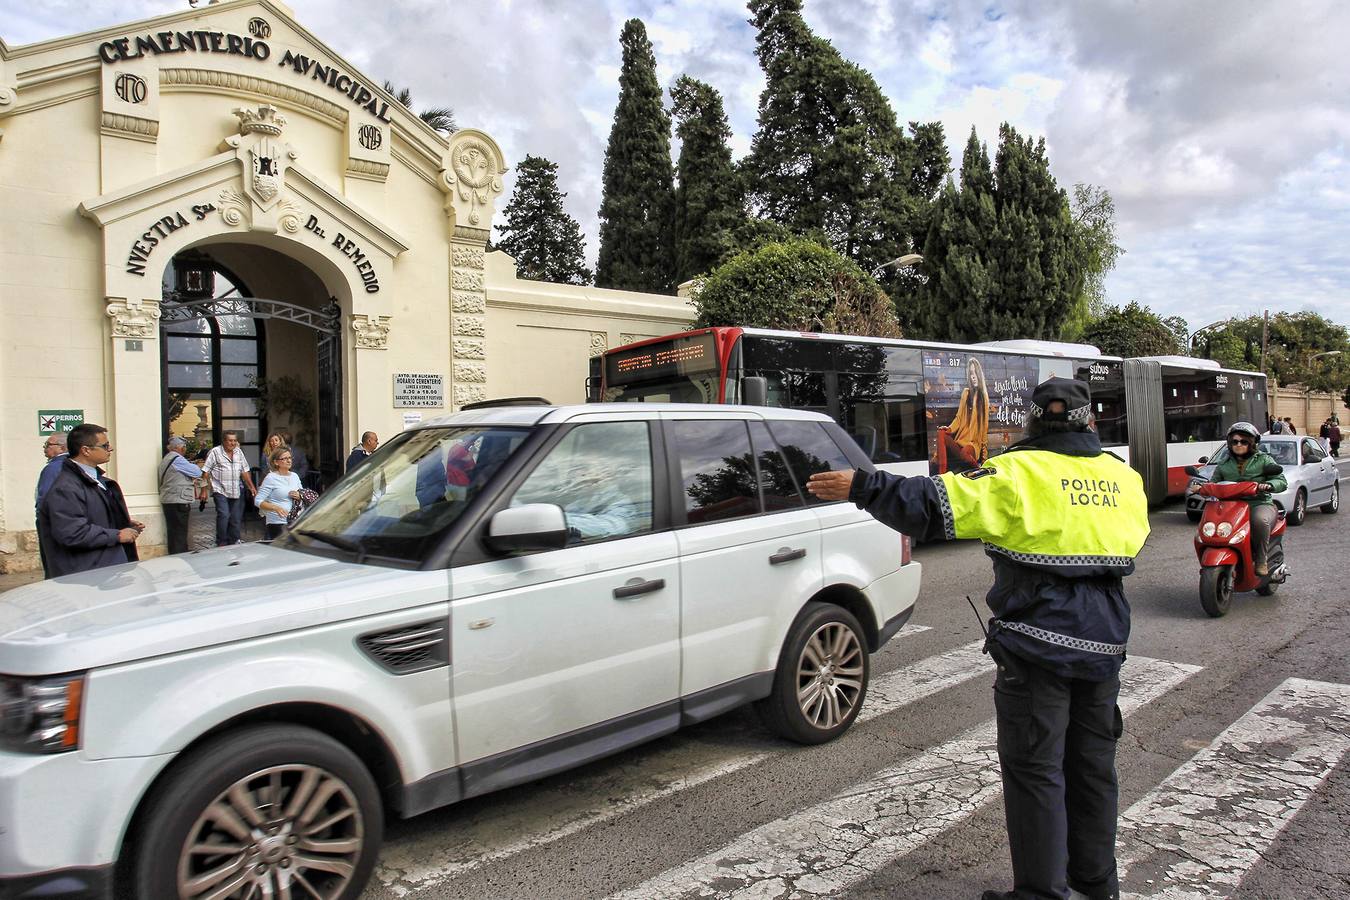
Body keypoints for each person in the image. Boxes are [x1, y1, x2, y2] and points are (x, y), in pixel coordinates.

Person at [806, 378, 1151, 900]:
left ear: (1034, 421)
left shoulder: (1017, 472)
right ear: (1089, 421)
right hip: (1104, 644)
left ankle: (1041, 893)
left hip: (1037, 644)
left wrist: (862, 485)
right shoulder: (1124, 479)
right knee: (1093, 768)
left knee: (1036, 769)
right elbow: (1133, 540)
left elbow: (935, 503)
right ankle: (1097, 887)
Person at [38, 423, 144, 577]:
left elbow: (90, 514)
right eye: (105, 445)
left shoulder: (94, 479)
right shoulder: (66, 486)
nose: (111, 449)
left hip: (105, 570)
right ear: (86, 450)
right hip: (87, 575)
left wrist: (120, 522)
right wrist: (117, 535)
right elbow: (72, 532)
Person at [1210, 422, 1286, 576]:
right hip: (1230, 506)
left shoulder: (1264, 459)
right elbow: (1213, 482)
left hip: (1259, 503)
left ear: (1252, 443)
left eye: (1243, 441)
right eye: (1234, 441)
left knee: (1259, 520)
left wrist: (1269, 485)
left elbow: (1281, 480)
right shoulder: (1224, 463)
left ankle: (1261, 559)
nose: (1238, 445)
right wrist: (1201, 487)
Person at [202, 431, 257, 546]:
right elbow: (206, 472)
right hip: (220, 490)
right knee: (224, 514)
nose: (233, 443)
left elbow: (245, 471)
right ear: (224, 441)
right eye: (230, 440)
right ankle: (222, 541)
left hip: (235, 490)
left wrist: (251, 486)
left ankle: (234, 540)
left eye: (234, 441)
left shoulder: (239, 452)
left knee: (235, 518)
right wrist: (203, 490)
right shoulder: (215, 452)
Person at [940, 357, 989, 473]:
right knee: (941, 433)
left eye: (975, 373)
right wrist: (949, 428)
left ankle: (979, 470)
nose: (973, 376)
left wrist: (984, 459)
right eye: (971, 373)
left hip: (973, 445)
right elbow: (959, 418)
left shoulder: (983, 398)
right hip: (960, 441)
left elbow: (984, 430)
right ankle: (941, 475)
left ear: (979, 374)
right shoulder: (966, 393)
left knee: (965, 452)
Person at [158, 436, 203, 555]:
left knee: (173, 532)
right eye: (184, 447)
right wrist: (196, 466)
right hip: (178, 500)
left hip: (169, 499)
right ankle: (180, 556)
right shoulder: (177, 459)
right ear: (181, 448)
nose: (185, 450)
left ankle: (175, 555)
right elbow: (197, 472)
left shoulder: (166, 458)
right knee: (180, 532)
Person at [34, 433, 69, 576]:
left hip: (52, 522)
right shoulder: (71, 464)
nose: (45, 448)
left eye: (48, 445)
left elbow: (45, 498)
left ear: (62, 448)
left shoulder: (53, 468)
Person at [255, 446, 303, 540]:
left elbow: (302, 494)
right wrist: (275, 507)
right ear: (276, 462)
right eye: (285, 459)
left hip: (296, 521)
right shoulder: (271, 478)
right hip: (278, 523)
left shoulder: (295, 476)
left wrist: (299, 496)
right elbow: (257, 501)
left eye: (290, 458)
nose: (289, 461)